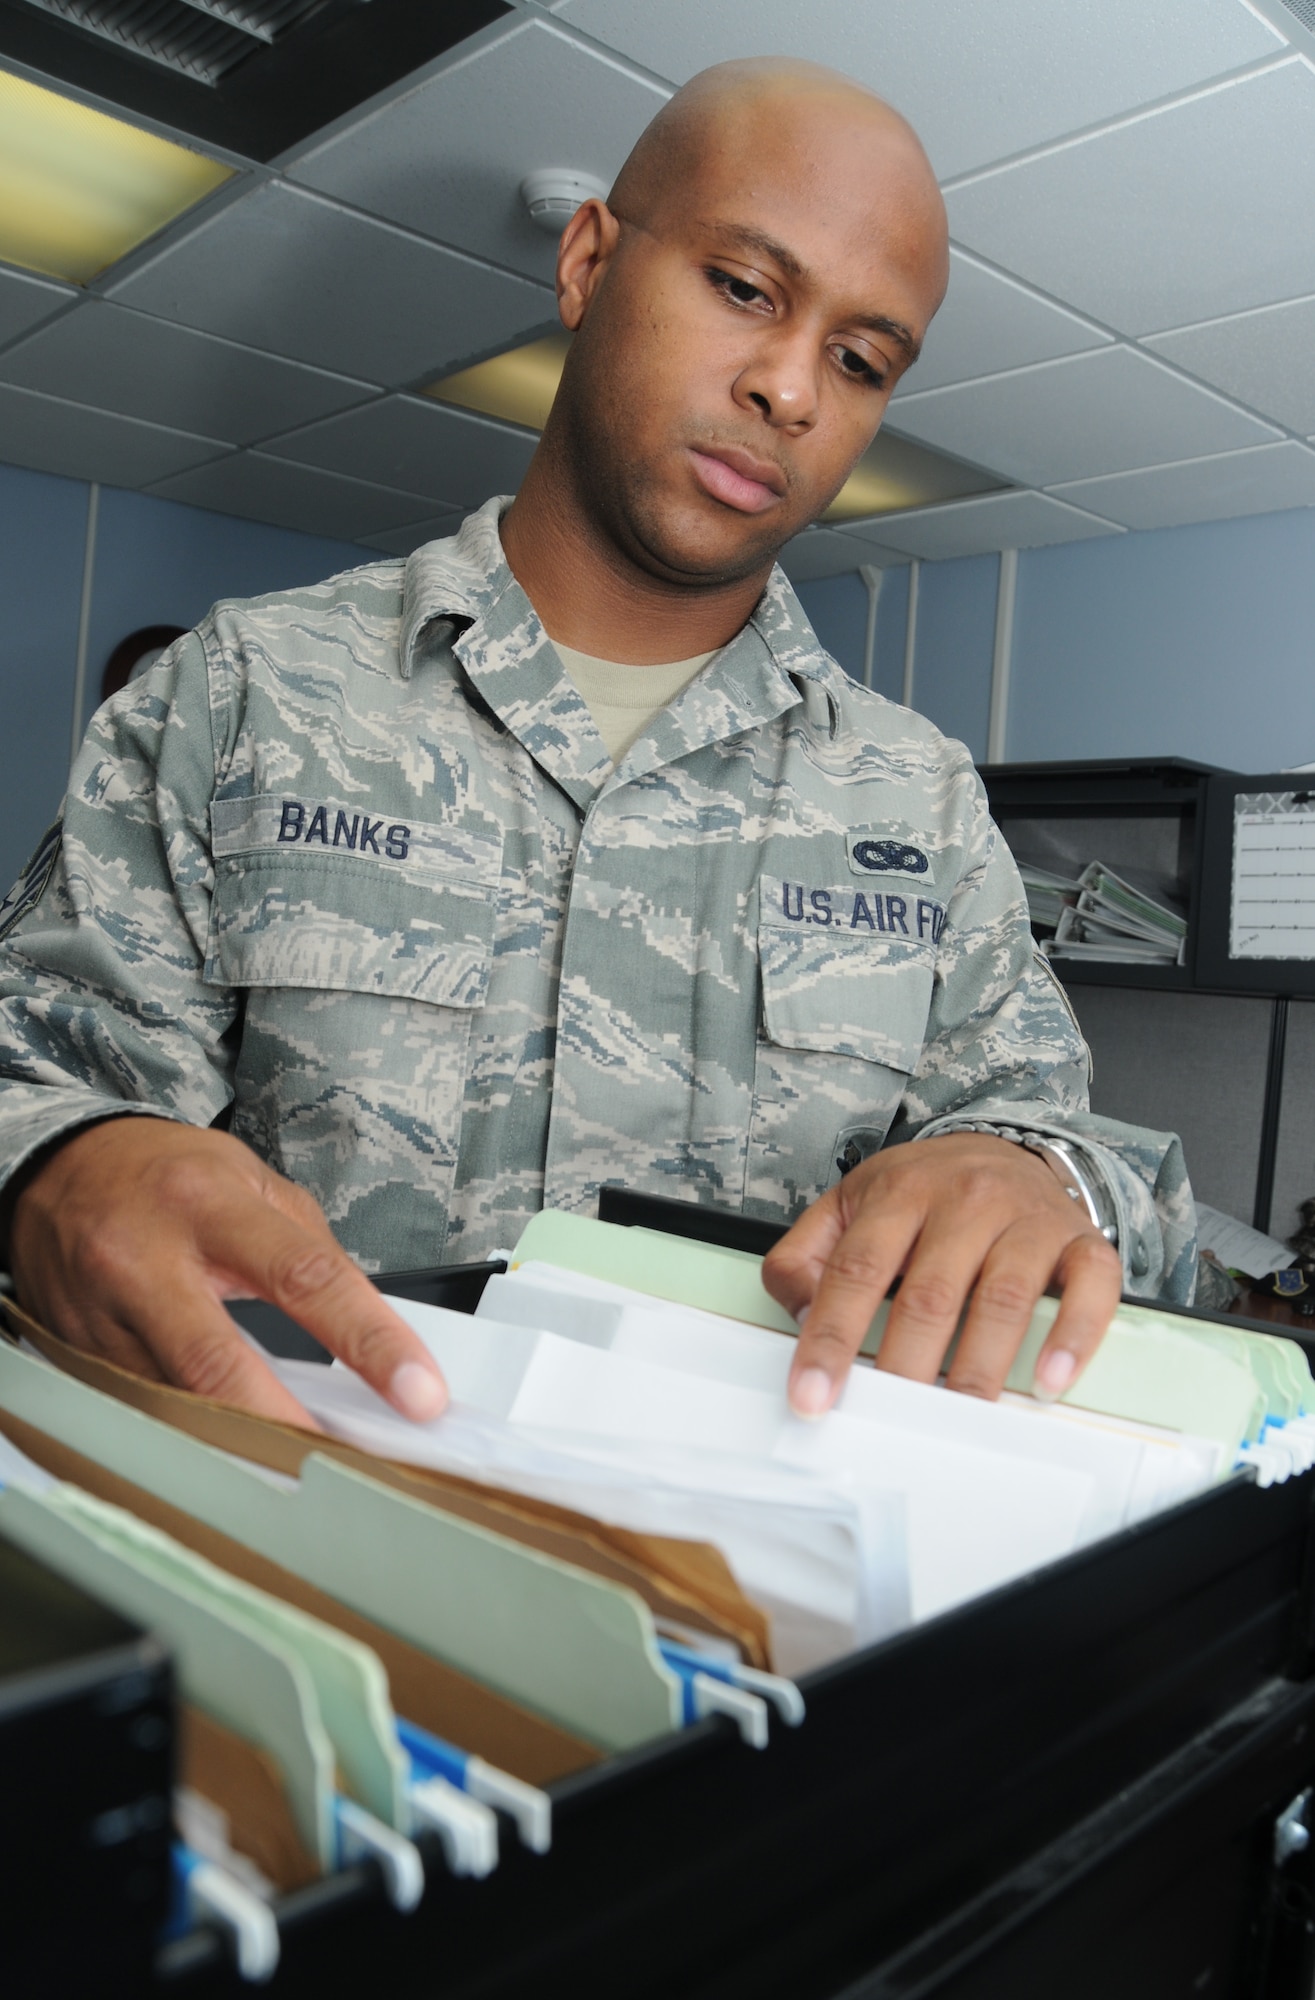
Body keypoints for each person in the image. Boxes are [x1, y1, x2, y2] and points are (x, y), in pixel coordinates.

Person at [0, 59, 1194, 1434]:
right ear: (586, 264)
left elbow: (1072, 1150)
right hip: (304, 1514)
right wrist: (67, 1159)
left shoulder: (915, 801)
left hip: (750, 1574)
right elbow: (36, 1062)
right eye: (746, 288)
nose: (793, 389)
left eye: (863, 362)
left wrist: (1031, 1176)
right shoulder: (244, 692)